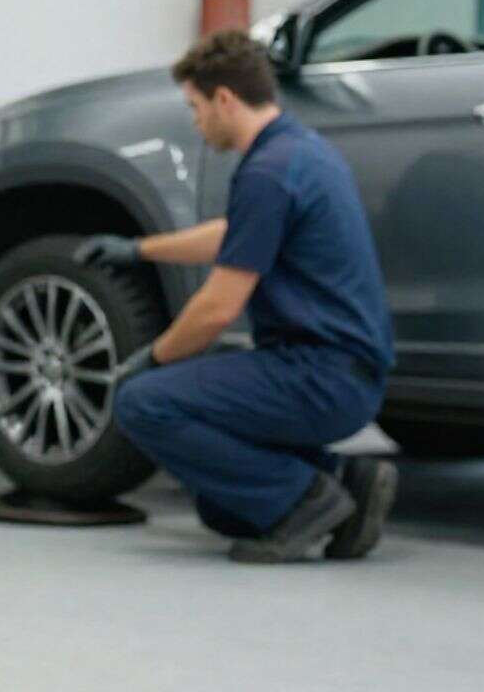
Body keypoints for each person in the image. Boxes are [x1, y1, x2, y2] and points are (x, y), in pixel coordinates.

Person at [74, 30, 398, 563]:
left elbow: (217, 309)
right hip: (349, 373)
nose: (196, 121)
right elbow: (236, 234)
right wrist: (139, 250)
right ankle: (347, 484)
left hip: (318, 376)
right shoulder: (303, 152)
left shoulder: (266, 172)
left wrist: (151, 360)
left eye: (195, 107)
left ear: (224, 99)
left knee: (144, 402)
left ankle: (304, 501)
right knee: (222, 509)